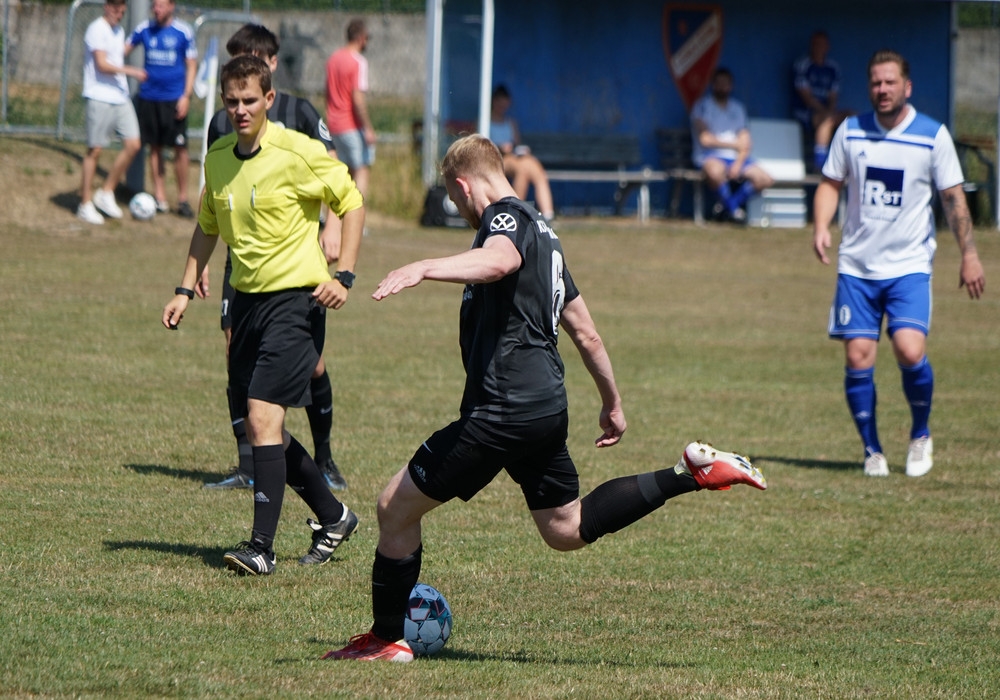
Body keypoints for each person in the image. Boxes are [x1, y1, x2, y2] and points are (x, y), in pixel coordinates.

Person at [325, 134, 767, 662]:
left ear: (463, 186)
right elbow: (587, 333)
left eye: (455, 198)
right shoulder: (548, 237)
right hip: (543, 409)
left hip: (502, 410)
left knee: (394, 507)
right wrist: (612, 402)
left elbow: (498, 261)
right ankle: (688, 472)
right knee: (566, 528)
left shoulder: (505, 219)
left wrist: (422, 267)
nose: (459, 210)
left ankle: (386, 639)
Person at [162, 55, 366, 574]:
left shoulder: (298, 152)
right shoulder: (218, 157)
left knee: (261, 416)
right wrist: (184, 289)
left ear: (269, 99)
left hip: (297, 301)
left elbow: (351, 201)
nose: (240, 110)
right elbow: (207, 225)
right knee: (264, 427)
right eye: (232, 101)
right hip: (247, 302)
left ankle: (261, 548)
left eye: (250, 100)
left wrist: (343, 274)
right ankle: (334, 516)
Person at [813, 49, 986, 478]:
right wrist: (820, 226)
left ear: (907, 86)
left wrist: (969, 254)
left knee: (910, 349)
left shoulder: (932, 135)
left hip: (909, 265)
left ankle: (920, 435)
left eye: (890, 82)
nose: (882, 89)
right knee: (858, 357)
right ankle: (872, 451)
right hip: (857, 267)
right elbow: (830, 183)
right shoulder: (850, 131)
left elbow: (953, 198)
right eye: (876, 82)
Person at [197, 24, 348, 492]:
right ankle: (248, 463)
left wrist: (333, 228)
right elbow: (214, 193)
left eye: (254, 61)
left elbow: (334, 177)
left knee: (313, 364)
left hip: (294, 262)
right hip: (240, 260)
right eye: (236, 63)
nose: (241, 97)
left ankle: (324, 458)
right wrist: (196, 267)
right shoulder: (222, 123)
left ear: (272, 68)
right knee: (234, 354)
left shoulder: (299, 113)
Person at [77, 0, 147, 225]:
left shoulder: (119, 31)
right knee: (95, 149)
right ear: (106, 7)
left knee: (133, 144)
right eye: (116, 10)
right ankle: (85, 203)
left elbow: (117, 56)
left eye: (122, 11)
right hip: (99, 96)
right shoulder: (96, 29)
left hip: (120, 97)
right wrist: (131, 71)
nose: (119, 15)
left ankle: (106, 191)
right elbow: (102, 64)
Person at [126, 0, 197, 217]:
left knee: (179, 148)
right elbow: (121, 50)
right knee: (155, 147)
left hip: (174, 99)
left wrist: (186, 96)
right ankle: (160, 197)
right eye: (154, 6)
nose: (157, 10)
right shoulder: (144, 29)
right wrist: (127, 71)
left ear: (171, 6)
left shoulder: (183, 31)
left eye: (161, 5)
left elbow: (191, 64)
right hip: (149, 98)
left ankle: (183, 199)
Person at [691, 67, 774, 223]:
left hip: (735, 158)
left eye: (726, 84)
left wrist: (738, 163)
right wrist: (734, 144)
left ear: (731, 86)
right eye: (719, 83)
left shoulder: (738, 108)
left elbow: (745, 142)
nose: (722, 87)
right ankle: (734, 211)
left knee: (765, 179)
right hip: (709, 156)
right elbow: (705, 140)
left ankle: (728, 208)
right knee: (715, 173)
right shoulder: (702, 106)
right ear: (713, 84)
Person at [325, 18, 376, 201]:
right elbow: (357, 98)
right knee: (361, 169)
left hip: (333, 125)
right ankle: (358, 214)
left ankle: (336, 214)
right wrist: (368, 128)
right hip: (351, 125)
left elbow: (327, 93)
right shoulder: (358, 61)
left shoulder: (333, 59)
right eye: (367, 38)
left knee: (342, 174)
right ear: (361, 38)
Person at [489, 84, 555, 221]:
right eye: (499, 102)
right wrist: (499, 147)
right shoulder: (485, 121)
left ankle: (548, 215)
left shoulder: (510, 123)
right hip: (497, 159)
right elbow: (480, 146)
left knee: (535, 167)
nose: (502, 106)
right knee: (522, 169)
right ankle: (516, 214)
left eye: (504, 103)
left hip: (513, 156)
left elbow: (516, 144)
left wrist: (519, 150)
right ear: (493, 101)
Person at [792, 30, 853, 172]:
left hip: (827, 112)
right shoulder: (803, 65)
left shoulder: (832, 68)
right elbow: (807, 99)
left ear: (827, 47)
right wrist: (828, 113)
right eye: (815, 44)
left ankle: (852, 162)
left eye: (822, 44)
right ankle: (820, 165)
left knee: (852, 117)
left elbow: (833, 97)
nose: (818, 47)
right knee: (827, 120)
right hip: (805, 113)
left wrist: (831, 112)